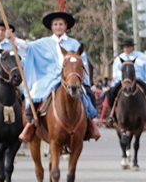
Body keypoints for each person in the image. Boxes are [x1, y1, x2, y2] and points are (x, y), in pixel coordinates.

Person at [19, 10, 100, 142]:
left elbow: (83, 62)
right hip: (48, 78)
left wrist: (84, 81)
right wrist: (13, 39)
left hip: (71, 78)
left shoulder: (74, 43)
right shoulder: (43, 43)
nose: (58, 27)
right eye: (55, 24)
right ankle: (31, 124)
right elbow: (27, 47)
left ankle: (90, 123)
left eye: (61, 24)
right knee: (35, 93)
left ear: (66, 26)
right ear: (51, 27)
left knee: (87, 94)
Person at [106, 38, 146, 125]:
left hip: (138, 80)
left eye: (129, 47)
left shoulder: (142, 57)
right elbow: (116, 71)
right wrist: (122, 79)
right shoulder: (118, 59)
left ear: (132, 47)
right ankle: (111, 115)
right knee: (110, 93)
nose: (127, 49)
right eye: (125, 47)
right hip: (123, 81)